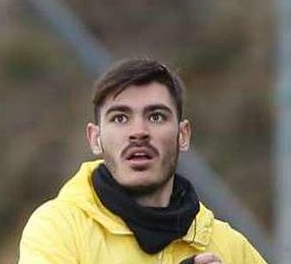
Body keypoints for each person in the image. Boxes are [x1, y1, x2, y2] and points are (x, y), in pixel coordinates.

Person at [18, 58, 267, 264]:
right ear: (95, 138)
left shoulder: (231, 249)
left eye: (156, 116)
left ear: (183, 135)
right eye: (120, 118)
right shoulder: (58, 228)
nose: (138, 131)